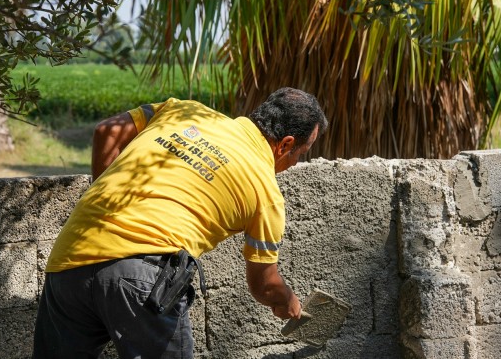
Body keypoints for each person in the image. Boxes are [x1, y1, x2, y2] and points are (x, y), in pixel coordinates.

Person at [32, 87, 328, 359]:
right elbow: (263, 285)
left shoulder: (183, 110)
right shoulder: (266, 193)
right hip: (142, 278)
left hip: (70, 258)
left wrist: (106, 205)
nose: (295, 164)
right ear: (285, 144)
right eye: (300, 154)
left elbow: (107, 131)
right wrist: (287, 301)